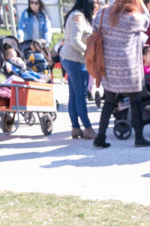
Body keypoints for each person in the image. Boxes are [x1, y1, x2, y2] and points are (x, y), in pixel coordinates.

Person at [92, 0, 150, 148]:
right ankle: (139, 137)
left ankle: (100, 137)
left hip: (110, 64)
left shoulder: (103, 13)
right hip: (128, 66)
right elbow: (147, 19)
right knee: (135, 100)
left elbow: (95, 27)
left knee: (109, 101)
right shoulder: (133, 17)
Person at [60, 0, 97, 140]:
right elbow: (75, 41)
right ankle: (87, 128)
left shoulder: (77, 15)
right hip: (75, 61)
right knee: (80, 95)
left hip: (71, 59)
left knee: (74, 95)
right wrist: (89, 53)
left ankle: (76, 128)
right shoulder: (78, 16)